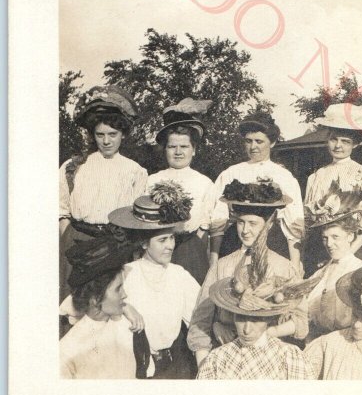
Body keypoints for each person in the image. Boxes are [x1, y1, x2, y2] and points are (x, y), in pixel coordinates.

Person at [189, 179, 308, 367]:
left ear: (268, 225)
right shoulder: (222, 265)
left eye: (253, 223)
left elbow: (301, 321)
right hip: (227, 358)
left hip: (270, 359)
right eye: (240, 223)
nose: (245, 230)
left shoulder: (284, 267)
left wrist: (269, 333)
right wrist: (204, 364)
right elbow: (200, 320)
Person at [59, 85, 147, 301]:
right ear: (92, 135)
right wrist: (68, 240)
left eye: (112, 134)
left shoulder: (134, 170)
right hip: (77, 243)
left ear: (123, 135)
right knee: (75, 303)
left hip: (114, 245)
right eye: (100, 135)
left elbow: (136, 219)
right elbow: (61, 210)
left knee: (109, 304)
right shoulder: (74, 166)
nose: (106, 141)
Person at [107, 182, 201, 379]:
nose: (170, 246)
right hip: (132, 366)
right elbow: (92, 301)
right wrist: (125, 306)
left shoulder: (179, 275)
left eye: (172, 238)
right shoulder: (127, 272)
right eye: (162, 240)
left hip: (171, 366)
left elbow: (199, 317)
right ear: (143, 243)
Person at [205, 112, 304, 272]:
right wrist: (214, 261)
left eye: (259, 141)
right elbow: (218, 219)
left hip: (272, 242)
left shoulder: (284, 176)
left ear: (272, 143)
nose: (253, 147)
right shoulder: (231, 173)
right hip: (235, 241)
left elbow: (293, 225)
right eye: (248, 141)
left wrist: (295, 264)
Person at [303, 87, 362, 276]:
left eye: (345, 141)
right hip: (318, 250)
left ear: (355, 144)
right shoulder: (316, 176)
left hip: (352, 250)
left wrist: (344, 256)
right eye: (333, 139)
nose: (338, 146)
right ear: (327, 140)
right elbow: (308, 221)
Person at [60, 236, 148, 379]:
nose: (124, 295)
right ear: (95, 299)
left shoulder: (127, 326)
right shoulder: (67, 350)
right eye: (118, 288)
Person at [196, 271, 313, 379]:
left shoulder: (289, 357)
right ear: (233, 316)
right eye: (241, 318)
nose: (247, 330)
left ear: (269, 318)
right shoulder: (218, 359)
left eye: (256, 320)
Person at [147, 97, 214, 284]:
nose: (178, 152)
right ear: (165, 149)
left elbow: (205, 226)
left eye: (184, 146)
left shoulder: (204, 183)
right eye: (172, 147)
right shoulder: (152, 180)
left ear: (194, 150)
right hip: (156, 249)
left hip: (189, 250)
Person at [304, 181, 362, 341]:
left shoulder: (361, 271)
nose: (329, 244)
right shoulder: (322, 271)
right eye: (325, 238)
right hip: (316, 341)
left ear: (350, 236)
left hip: (347, 343)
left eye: (335, 237)